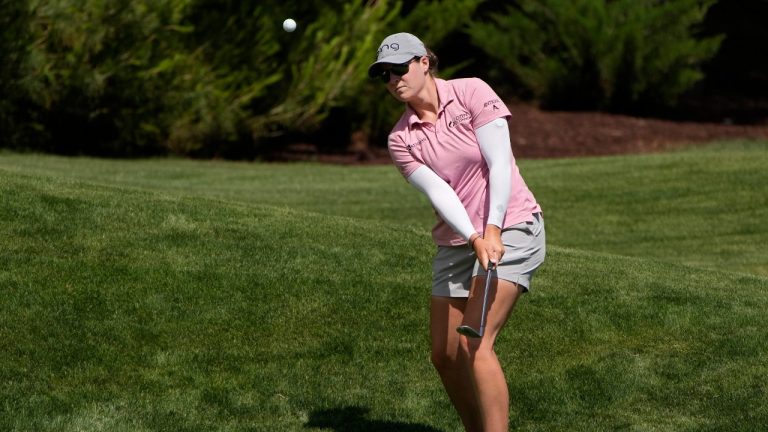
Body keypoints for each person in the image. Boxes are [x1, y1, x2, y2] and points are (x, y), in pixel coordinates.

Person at [368, 33, 546, 432]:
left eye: (400, 68)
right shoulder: (401, 138)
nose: (394, 79)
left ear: (424, 62)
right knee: (444, 355)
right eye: (385, 75)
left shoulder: (471, 91)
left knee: (475, 342)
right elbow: (439, 191)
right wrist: (474, 237)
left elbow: (500, 162)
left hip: (512, 224)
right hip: (459, 240)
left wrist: (493, 229)